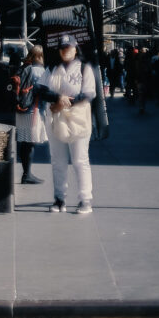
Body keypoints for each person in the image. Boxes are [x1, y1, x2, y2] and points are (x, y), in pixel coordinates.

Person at [39, 33, 97, 216]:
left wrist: (64, 102)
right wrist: (57, 98)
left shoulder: (84, 68)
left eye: (69, 47)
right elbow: (40, 90)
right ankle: (59, 198)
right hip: (56, 119)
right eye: (63, 48)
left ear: (75, 48)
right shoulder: (51, 68)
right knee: (58, 160)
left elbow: (89, 93)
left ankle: (85, 199)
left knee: (80, 160)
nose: (66, 51)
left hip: (78, 118)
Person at [14, 44, 46, 185]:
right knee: (30, 143)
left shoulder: (23, 68)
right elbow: (45, 92)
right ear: (39, 56)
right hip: (33, 110)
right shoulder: (39, 71)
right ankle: (27, 174)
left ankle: (26, 173)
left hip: (21, 109)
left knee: (25, 143)